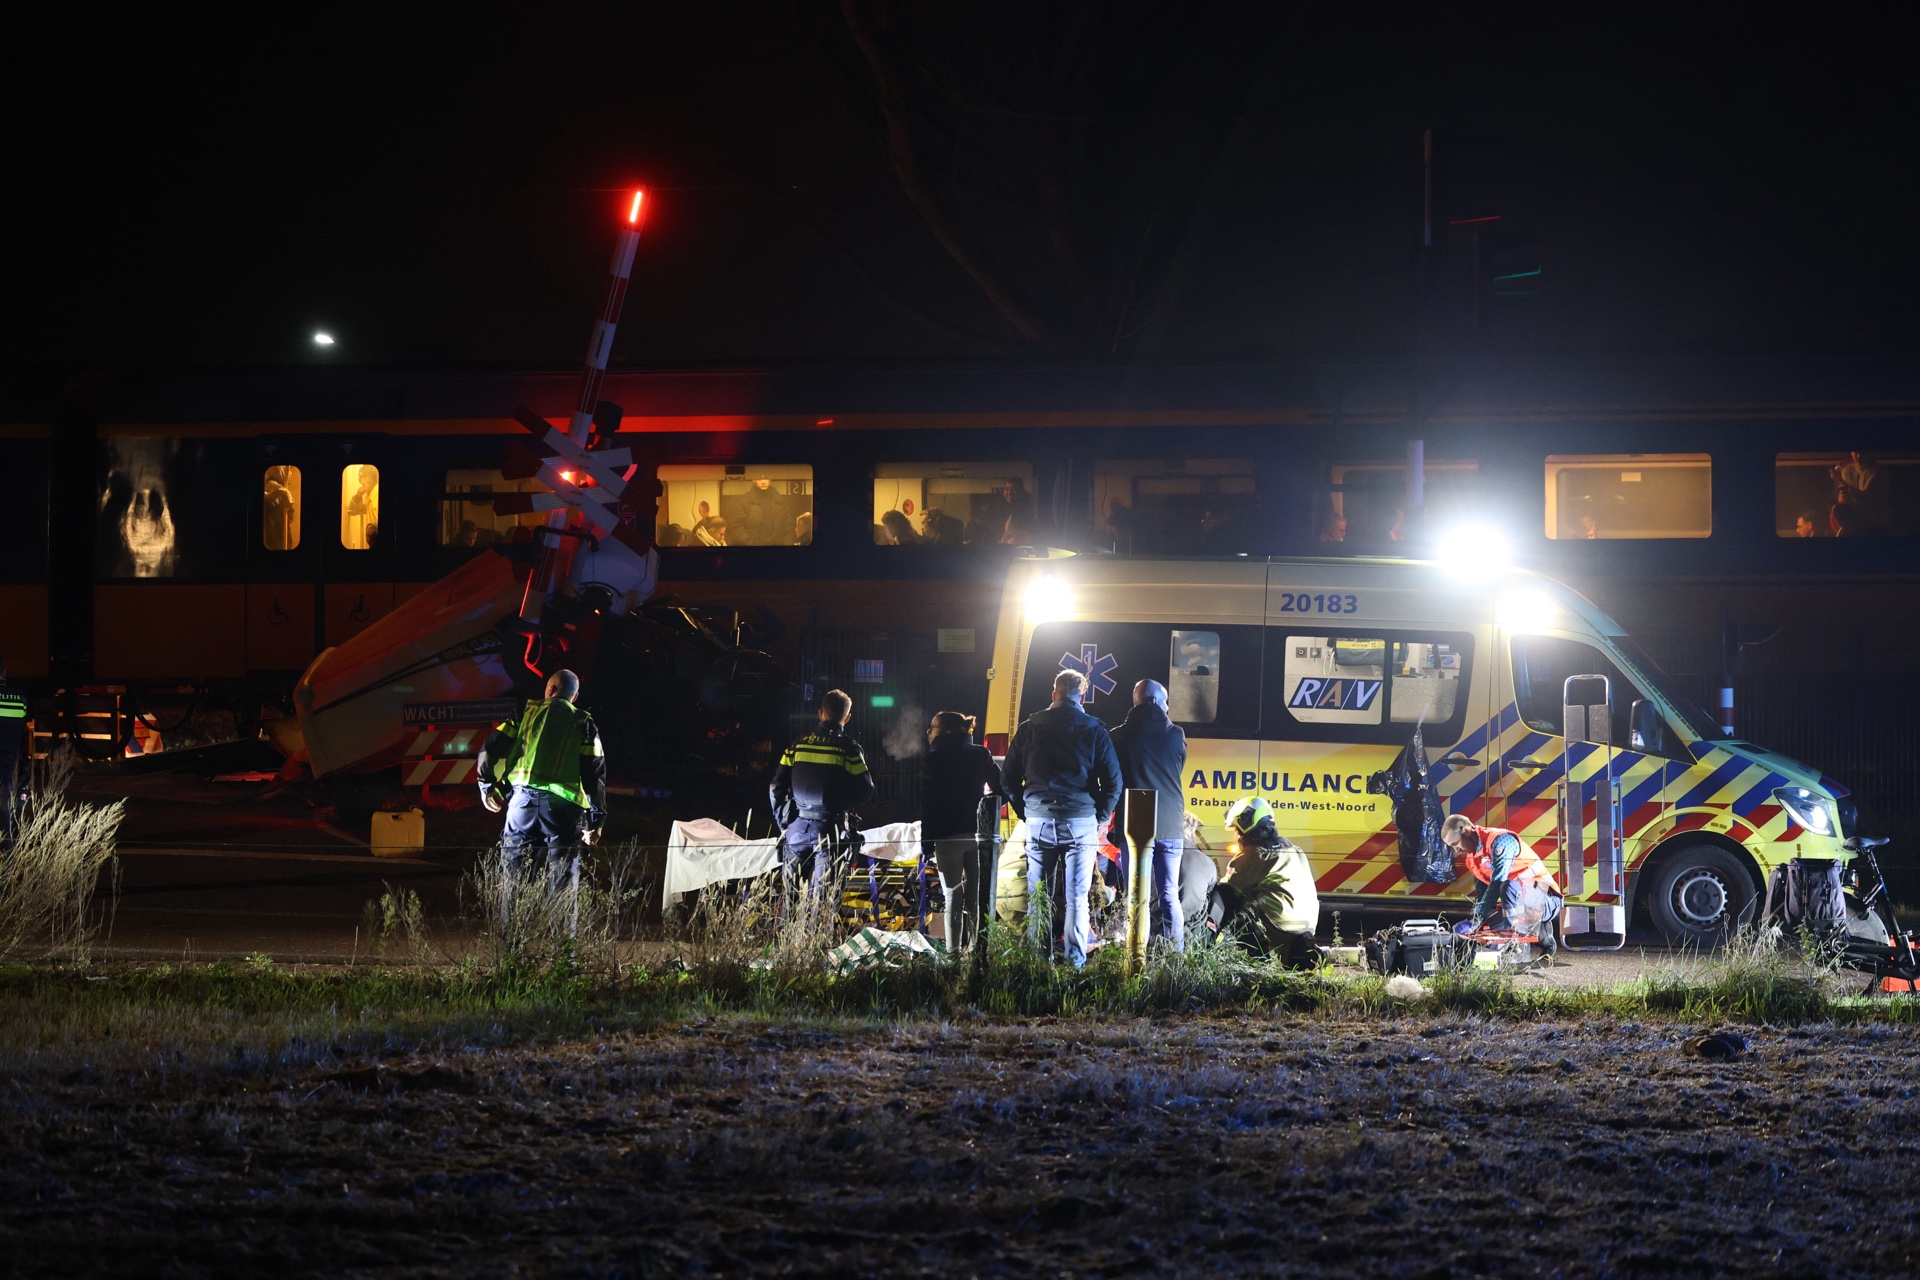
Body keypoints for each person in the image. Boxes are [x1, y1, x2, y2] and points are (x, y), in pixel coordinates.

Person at [1001, 669, 1123, 968]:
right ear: (1082, 697)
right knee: (1077, 898)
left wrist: (1025, 811)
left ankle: (1038, 962)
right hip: (1080, 822)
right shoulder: (1094, 730)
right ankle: (1075, 963)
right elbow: (1113, 782)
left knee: (1038, 894)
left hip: (1038, 821)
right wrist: (1099, 817)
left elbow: (1007, 780)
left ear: (1054, 694)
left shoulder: (1029, 728)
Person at [477, 669, 607, 901]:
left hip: (521, 805)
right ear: (574, 697)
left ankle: (512, 935)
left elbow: (490, 746)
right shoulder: (583, 721)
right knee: (563, 881)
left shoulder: (525, 712)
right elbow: (594, 773)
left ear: (549, 689)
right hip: (563, 811)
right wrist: (595, 821)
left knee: (514, 879)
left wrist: (487, 786)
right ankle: (563, 937)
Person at [770, 689, 876, 908]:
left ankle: (786, 941)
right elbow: (866, 790)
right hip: (831, 830)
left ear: (820, 713)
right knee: (824, 902)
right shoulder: (849, 749)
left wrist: (784, 820)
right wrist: (841, 805)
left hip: (796, 829)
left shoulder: (797, 745)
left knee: (790, 898)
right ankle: (817, 942)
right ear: (847, 718)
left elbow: (776, 786)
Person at [1109, 679, 1189, 952]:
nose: (1168, 708)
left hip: (1134, 821)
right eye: (1165, 702)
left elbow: (1112, 777)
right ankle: (1175, 954)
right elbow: (1177, 768)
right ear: (1155, 701)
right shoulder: (1176, 734)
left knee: (1137, 894)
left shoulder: (1117, 736)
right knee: (1169, 893)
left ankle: (1136, 951)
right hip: (1170, 823)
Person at [921, 711, 1006, 953]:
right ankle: (978, 953)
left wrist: (926, 843)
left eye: (933, 727)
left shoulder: (933, 758)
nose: (929, 732)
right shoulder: (981, 754)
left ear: (946, 731)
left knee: (952, 898)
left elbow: (929, 805)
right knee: (976, 898)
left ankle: (952, 955)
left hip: (947, 837)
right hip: (978, 834)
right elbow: (1001, 788)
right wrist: (983, 808)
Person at [1208, 797, 1320, 963]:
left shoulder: (1255, 854)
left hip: (1280, 925)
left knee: (1230, 901)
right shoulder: (1292, 848)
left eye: (1237, 830)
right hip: (1307, 924)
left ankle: (1256, 961)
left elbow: (1227, 891)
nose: (1236, 835)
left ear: (1247, 823)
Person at [1439, 813, 1563, 956]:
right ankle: (1540, 932)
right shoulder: (1472, 859)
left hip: (1546, 900)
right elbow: (1482, 897)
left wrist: (1477, 919)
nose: (1456, 850)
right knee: (1485, 929)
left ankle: (1513, 942)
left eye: (1456, 843)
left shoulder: (1502, 841)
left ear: (1465, 830)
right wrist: (1474, 922)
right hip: (1520, 904)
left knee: (1508, 885)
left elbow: (1498, 881)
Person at [0, 660, 27, 846]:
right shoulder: (20, 696)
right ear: (5, 672)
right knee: (5, 804)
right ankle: (7, 850)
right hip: (10, 756)